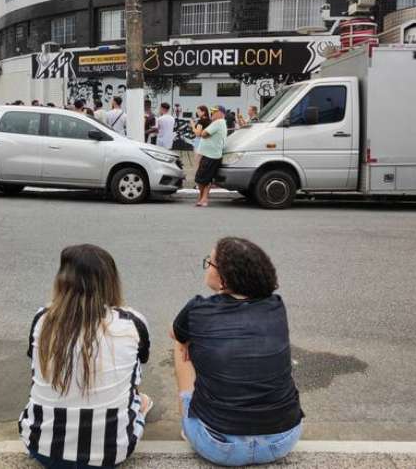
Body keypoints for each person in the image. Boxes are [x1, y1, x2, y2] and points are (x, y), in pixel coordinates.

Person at [171, 237, 303, 467]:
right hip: (283, 440)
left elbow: (175, 333)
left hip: (218, 446)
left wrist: (192, 342)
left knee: (182, 342)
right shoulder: (276, 305)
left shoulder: (198, 309)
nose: (207, 267)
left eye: (209, 263)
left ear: (223, 280)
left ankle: (189, 421)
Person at [20, 244, 152, 469]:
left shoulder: (42, 319)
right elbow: (141, 360)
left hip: (41, 447)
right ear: (110, 281)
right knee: (138, 389)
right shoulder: (132, 322)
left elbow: (35, 364)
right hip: (112, 452)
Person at [193, 105, 227, 207]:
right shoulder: (219, 123)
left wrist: (202, 131)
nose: (212, 113)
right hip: (211, 154)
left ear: (221, 113)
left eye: (214, 112)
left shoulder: (218, 122)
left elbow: (203, 134)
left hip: (211, 155)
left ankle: (204, 199)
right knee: (204, 178)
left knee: (203, 178)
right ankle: (202, 198)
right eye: (211, 111)